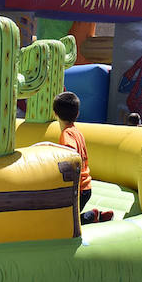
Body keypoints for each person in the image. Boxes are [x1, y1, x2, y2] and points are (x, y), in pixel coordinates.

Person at [55, 91, 112, 225]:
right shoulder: (77, 132)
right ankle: (95, 215)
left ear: (55, 113)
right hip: (86, 187)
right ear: (77, 113)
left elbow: (71, 153)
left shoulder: (67, 134)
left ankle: (92, 215)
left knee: (64, 223)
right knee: (68, 218)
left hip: (77, 189)